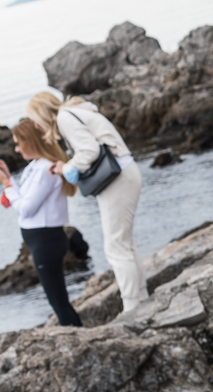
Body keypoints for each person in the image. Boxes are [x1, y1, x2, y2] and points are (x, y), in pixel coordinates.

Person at [27, 92, 150, 313]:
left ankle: (133, 306)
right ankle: (140, 297)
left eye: (35, 120)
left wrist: (65, 168)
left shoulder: (64, 118)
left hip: (117, 179)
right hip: (124, 173)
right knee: (125, 242)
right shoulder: (74, 111)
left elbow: (89, 151)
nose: (36, 126)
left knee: (115, 246)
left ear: (42, 114)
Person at [0, 120, 83, 326]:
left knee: (58, 300)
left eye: (19, 143)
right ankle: (77, 334)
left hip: (46, 239)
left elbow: (25, 208)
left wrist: (6, 185)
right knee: (57, 299)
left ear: (30, 142)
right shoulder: (35, 166)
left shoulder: (44, 170)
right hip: (41, 239)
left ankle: (78, 337)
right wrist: (8, 178)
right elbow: (23, 198)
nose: (16, 149)